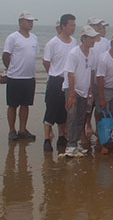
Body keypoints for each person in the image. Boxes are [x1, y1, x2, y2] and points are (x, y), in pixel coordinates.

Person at [42, 13, 77, 152]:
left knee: (64, 109)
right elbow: (46, 61)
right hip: (55, 80)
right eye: (71, 25)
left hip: (68, 81)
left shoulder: (74, 42)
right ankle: (46, 138)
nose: (73, 28)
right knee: (51, 109)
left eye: (74, 25)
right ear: (63, 26)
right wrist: (53, 73)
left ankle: (62, 136)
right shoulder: (52, 43)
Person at [1, 11, 39, 142]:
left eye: (32, 21)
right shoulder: (13, 37)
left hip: (29, 77)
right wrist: (10, 69)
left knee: (25, 105)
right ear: (21, 22)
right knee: (12, 105)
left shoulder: (34, 38)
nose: (30, 24)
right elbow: (6, 55)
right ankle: (12, 130)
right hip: (15, 77)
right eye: (28, 21)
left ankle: (22, 129)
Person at [62, 25, 99, 157]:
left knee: (81, 117)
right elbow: (70, 74)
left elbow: (92, 72)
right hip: (72, 89)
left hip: (85, 90)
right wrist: (72, 95)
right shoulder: (74, 53)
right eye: (91, 38)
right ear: (83, 39)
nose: (93, 40)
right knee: (72, 116)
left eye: (94, 38)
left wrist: (90, 91)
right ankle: (70, 145)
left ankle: (76, 143)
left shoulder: (92, 53)